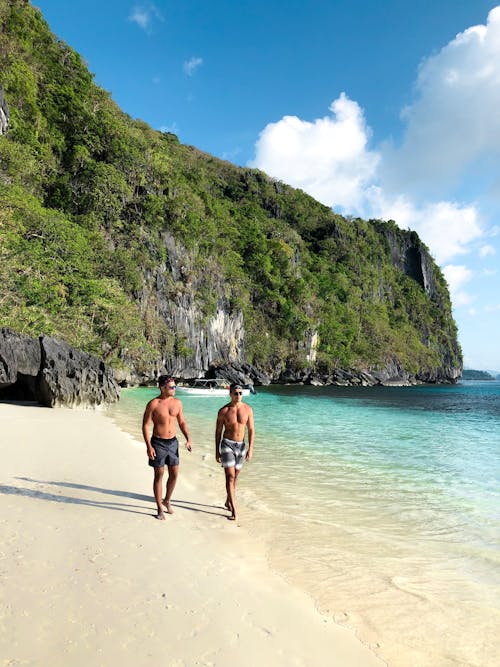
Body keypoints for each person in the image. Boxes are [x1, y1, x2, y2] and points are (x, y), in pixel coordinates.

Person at [142, 376, 192, 520]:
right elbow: (146, 425)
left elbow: (182, 422)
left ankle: (167, 500)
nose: (174, 389)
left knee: (175, 474)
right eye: (171, 387)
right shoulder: (153, 404)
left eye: (175, 387)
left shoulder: (177, 403)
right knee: (159, 475)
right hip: (158, 443)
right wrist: (149, 446)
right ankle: (159, 508)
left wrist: (188, 439)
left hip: (173, 442)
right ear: (162, 388)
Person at [215, 383, 254, 521]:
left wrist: (250, 448)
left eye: (240, 393)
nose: (238, 396)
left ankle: (228, 501)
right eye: (236, 393)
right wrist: (216, 451)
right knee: (230, 477)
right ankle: (234, 510)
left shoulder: (248, 409)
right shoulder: (223, 411)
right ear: (230, 394)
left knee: (235, 477)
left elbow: (251, 430)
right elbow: (218, 431)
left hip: (241, 446)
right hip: (227, 445)